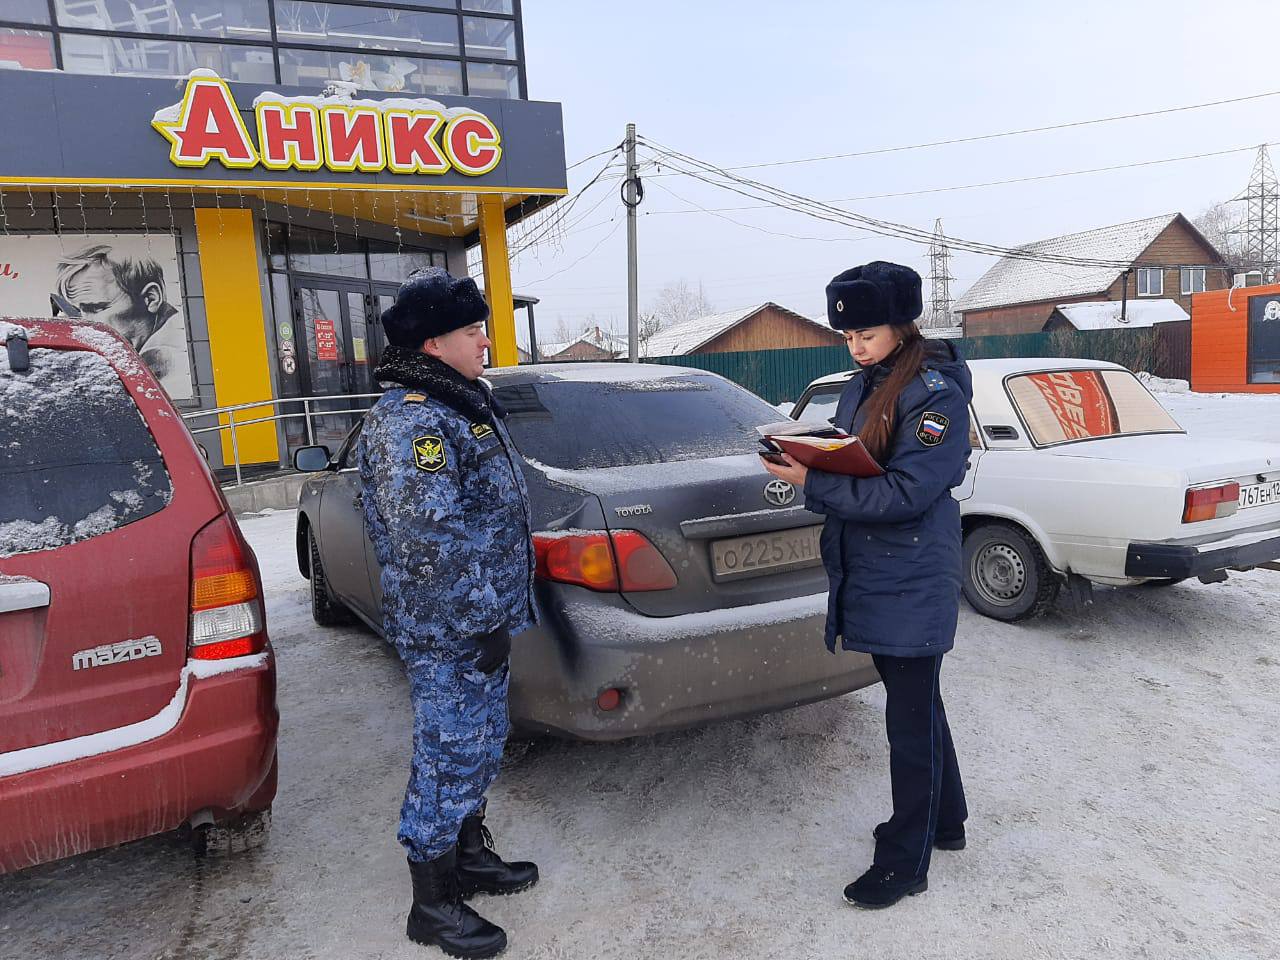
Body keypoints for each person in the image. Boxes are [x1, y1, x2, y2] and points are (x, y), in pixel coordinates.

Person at [761, 261, 972, 910]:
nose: (856, 346)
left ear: (903, 325)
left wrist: (813, 482)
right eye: (847, 337)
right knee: (919, 705)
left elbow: (909, 490)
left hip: (909, 573)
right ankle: (946, 821)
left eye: (868, 334)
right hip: (874, 571)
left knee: (907, 723)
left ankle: (904, 862)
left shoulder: (933, 391)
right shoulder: (866, 382)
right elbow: (858, 452)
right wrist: (808, 453)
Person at [358, 267, 539, 957]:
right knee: (448, 751)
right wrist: (479, 618)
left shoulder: (458, 404)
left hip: (480, 616)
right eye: (473, 331)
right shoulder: (415, 420)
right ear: (434, 343)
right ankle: (431, 904)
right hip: (450, 628)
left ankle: (467, 854)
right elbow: (428, 539)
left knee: (480, 741)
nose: (486, 340)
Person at [52, 244, 185, 382]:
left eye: (96, 308)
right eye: (79, 311)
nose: (84, 323)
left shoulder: (162, 359)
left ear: (151, 298)